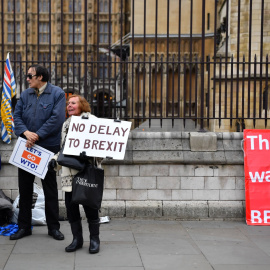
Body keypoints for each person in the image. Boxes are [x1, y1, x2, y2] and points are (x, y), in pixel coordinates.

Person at [11, 65, 66, 241]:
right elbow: (16, 116)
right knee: (25, 189)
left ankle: (54, 228)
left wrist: (37, 135)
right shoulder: (26, 94)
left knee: (50, 189)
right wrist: (26, 133)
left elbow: (56, 119)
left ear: (40, 77)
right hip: (26, 147)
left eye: (30, 76)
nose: (27, 79)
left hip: (47, 148)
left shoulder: (57, 94)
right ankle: (24, 227)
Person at [48, 94, 103, 254]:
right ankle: (77, 240)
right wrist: (55, 160)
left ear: (82, 105)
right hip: (68, 175)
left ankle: (94, 239)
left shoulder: (91, 121)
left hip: (86, 172)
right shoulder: (66, 124)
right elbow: (64, 150)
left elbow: (102, 147)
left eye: (73, 103)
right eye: (68, 103)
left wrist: (90, 154)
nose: (69, 105)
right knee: (71, 207)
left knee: (90, 207)